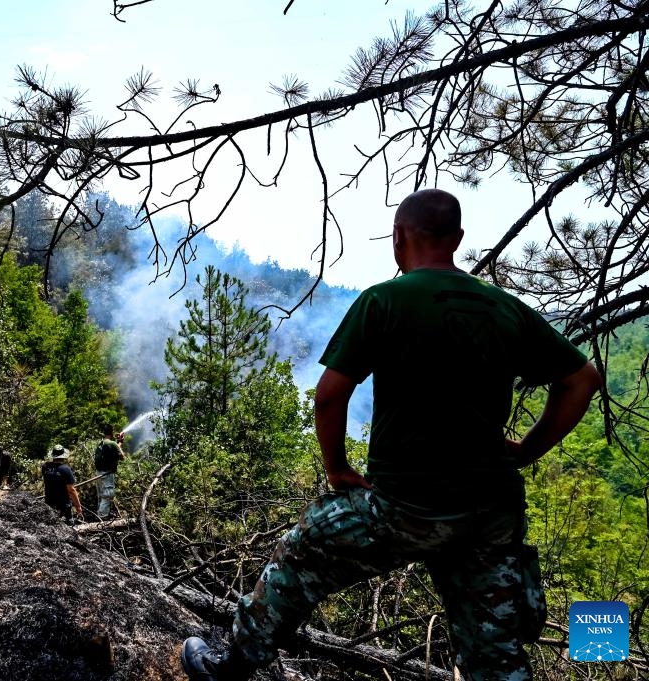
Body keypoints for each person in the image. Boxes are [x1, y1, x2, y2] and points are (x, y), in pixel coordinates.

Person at [180, 189, 602, 681]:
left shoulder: (383, 299)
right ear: (458, 239)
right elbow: (582, 379)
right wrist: (528, 450)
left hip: (403, 507)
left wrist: (338, 469)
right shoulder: (504, 308)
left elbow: (329, 396)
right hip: (490, 513)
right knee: (495, 654)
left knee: (298, 556)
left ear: (399, 237)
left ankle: (230, 666)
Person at [42, 445, 82, 521]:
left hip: (49, 504)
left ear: (53, 455)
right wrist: (78, 506)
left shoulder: (45, 467)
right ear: (63, 456)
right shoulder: (65, 469)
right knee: (68, 527)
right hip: (64, 505)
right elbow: (71, 490)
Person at [93, 425, 125, 519]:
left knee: (101, 495)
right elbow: (122, 457)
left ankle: (99, 514)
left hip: (99, 473)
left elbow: (114, 448)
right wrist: (119, 443)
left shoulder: (102, 442)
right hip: (107, 474)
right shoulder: (112, 444)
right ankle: (102, 518)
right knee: (107, 495)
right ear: (112, 431)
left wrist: (119, 442)